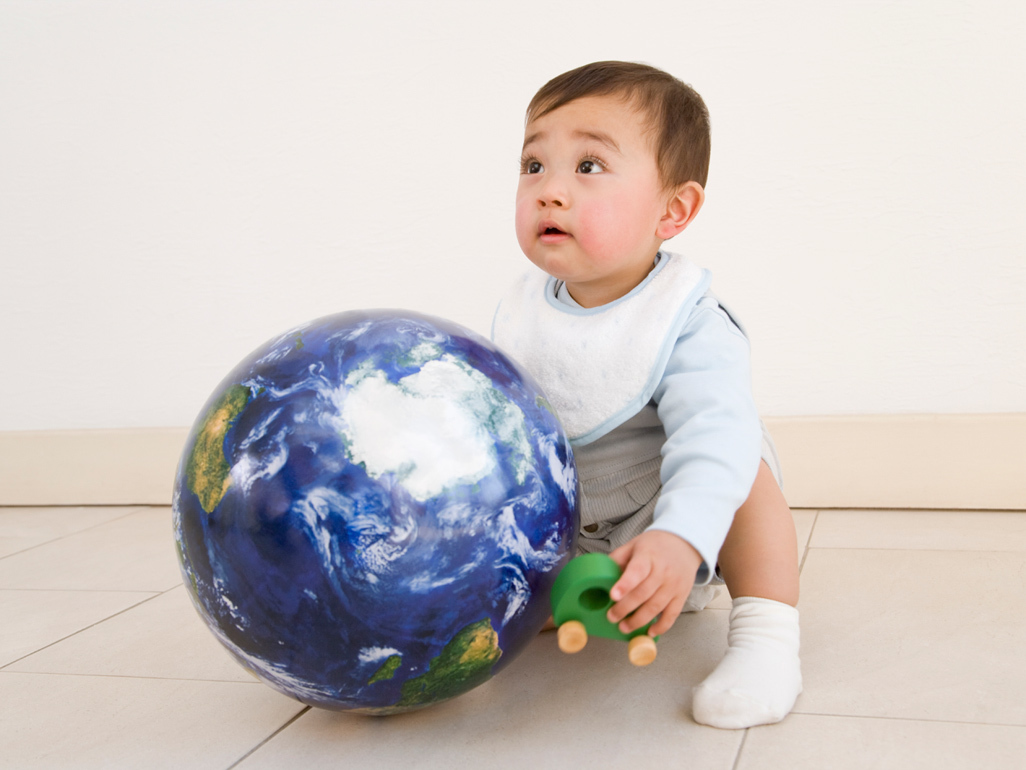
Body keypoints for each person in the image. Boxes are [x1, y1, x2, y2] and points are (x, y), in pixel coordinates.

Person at [491, 61, 802, 729]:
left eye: (590, 167)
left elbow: (712, 439)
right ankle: (556, 602)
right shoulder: (522, 311)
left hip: (681, 515)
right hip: (579, 530)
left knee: (742, 462)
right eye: (534, 164)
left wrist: (682, 537)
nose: (550, 191)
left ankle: (767, 638)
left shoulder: (685, 319)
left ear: (674, 209)